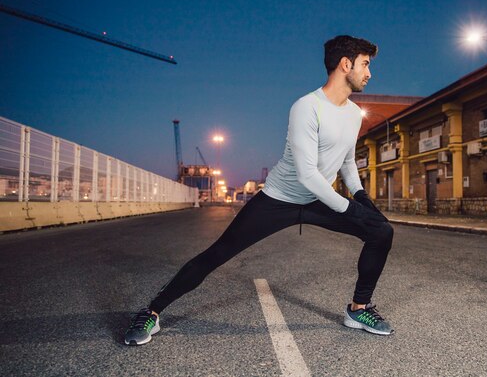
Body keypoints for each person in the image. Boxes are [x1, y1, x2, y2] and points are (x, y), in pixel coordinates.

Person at [124, 35, 395, 346]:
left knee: (381, 232)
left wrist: (361, 198)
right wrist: (349, 209)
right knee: (218, 253)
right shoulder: (306, 107)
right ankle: (152, 312)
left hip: (317, 200)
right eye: (365, 64)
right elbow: (307, 174)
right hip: (278, 200)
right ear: (345, 64)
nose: (369, 73)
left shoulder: (351, 113)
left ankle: (358, 309)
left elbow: (347, 160)